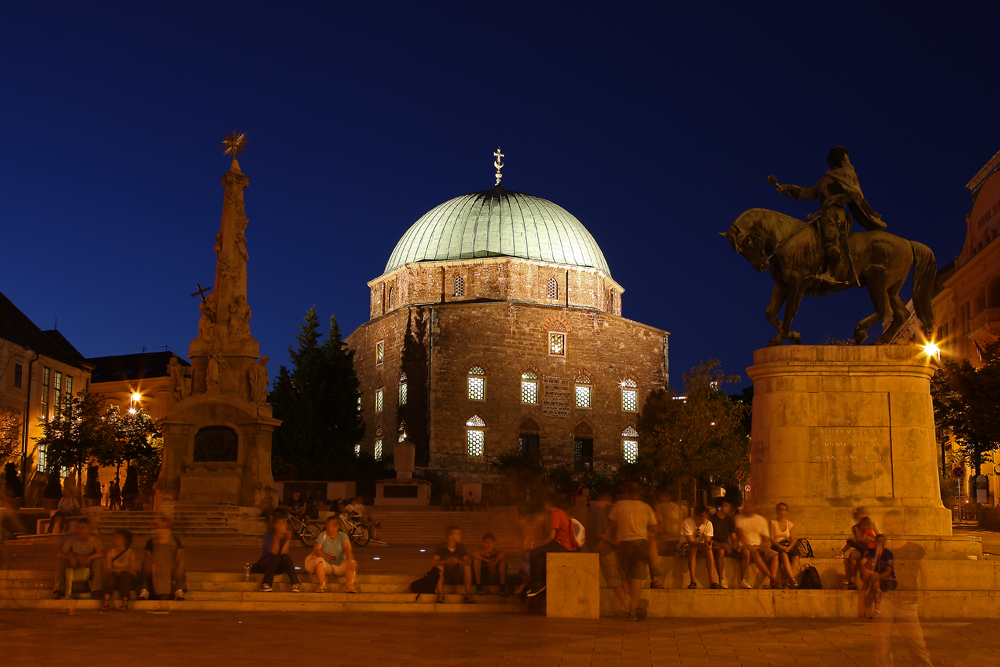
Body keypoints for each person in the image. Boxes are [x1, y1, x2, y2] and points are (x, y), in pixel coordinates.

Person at [771, 146, 887, 287]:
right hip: (822, 214)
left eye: (831, 156)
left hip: (835, 215)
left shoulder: (847, 173)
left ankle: (831, 273)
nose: (828, 160)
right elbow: (810, 193)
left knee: (831, 240)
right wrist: (789, 187)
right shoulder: (828, 176)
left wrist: (836, 198)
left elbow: (856, 195)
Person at [607, 482, 657, 619]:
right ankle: (633, 610)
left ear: (626, 492)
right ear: (640, 493)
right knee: (636, 579)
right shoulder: (646, 507)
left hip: (623, 545)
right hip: (640, 544)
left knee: (624, 578)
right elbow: (654, 527)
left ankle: (631, 607)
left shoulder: (619, 505)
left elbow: (610, 525)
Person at [526, 493, 579, 599]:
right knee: (540, 555)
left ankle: (538, 584)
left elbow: (552, 536)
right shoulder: (562, 513)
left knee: (534, 553)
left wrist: (540, 546)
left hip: (562, 545)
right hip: (566, 545)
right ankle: (542, 582)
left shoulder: (555, 513)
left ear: (548, 503)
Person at [588, 489, 630, 615]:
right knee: (615, 580)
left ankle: (631, 605)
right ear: (605, 497)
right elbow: (599, 534)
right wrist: (614, 542)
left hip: (606, 549)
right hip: (604, 550)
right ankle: (628, 607)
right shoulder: (598, 511)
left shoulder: (593, 510)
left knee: (620, 578)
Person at [53, 518, 104, 600]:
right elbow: (60, 554)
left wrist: (89, 558)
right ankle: (58, 589)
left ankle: (96, 590)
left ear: (88, 529)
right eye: (78, 528)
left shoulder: (94, 540)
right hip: (75, 562)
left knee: (98, 561)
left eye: (82, 528)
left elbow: (101, 553)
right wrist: (70, 557)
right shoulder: (72, 540)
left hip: (88, 563)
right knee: (61, 562)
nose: (80, 531)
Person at [138, 515, 187, 600]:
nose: (160, 530)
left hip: (169, 569)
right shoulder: (152, 541)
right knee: (144, 564)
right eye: (159, 528)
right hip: (156, 569)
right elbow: (146, 554)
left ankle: (179, 591)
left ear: (169, 530)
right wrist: (148, 563)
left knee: (181, 564)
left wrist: (180, 566)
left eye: (163, 528)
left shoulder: (175, 541)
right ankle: (144, 590)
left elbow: (181, 554)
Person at [304, 515, 356, 593]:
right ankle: (322, 584)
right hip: (326, 565)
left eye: (329, 525)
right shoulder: (322, 535)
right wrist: (325, 557)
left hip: (339, 565)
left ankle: (349, 585)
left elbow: (347, 549)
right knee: (319, 561)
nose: (327, 527)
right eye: (327, 525)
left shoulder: (343, 536)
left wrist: (349, 559)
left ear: (336, 527)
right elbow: (316, 549)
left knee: (351, 562)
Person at [735, 502, 777, 589]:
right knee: (754, 553)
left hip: (758, 545)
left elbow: (766, 537)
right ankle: (773, 578)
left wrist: (764, 546)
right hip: (746, 544)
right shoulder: (739, 518)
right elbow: (739, 534)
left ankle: (771, 583)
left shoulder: (760, 519)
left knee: (775, 555)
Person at [254, 513, 300, 592]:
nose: (283, 525)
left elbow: (283, 553)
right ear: (275, 525)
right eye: (281, 524)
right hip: (266, 563)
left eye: (284, 523)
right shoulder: (268, 536)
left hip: (278, 565)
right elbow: (274, 553)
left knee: (286, 557)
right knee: (276, 558)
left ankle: (295, 583)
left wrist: (288, 539)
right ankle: (266, 583)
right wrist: (277, 539)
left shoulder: (284, 537)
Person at [835, 509, 878, 590]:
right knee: (852, 557)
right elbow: (861, 540)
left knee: (852, 542)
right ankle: (853, 582)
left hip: (869, 549)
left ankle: (841, 552)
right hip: (861, 547)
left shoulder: (870, 527)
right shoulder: (855, 528)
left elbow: (875, 539)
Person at [432, 526, 475, 603]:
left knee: (467, 567)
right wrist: (446, 562)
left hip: (457, 574)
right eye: (458, 534)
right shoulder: (441, 547)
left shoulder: (461, 547)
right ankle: (441, 594)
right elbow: (434, 562)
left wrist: (459, 561)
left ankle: (467, 594)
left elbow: (468, 562)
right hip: (445, 575)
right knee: (440, 567)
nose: (460, 536)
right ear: (450, 536)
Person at [679, 505, 719, 589]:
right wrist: (703, 544)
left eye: (705, 516)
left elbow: (707, 539)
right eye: (701, 516)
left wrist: (707, 544)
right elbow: (691, 542)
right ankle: (693, 580)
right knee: (693, 548)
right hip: (685, 546)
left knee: (709, 550)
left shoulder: (708, 523)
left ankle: (712, 581)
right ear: (696, 516)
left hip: (700, 545)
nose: (704, 519)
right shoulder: (687, 522)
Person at [859, 534, 896, 620]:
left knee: (876, 582)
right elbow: (862, 563)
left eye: (878, 542)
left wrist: (877, 576)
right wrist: (871, 573)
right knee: (876, 584)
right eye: (875, 541)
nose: (876, 543)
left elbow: (888, 572)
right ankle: (877, 611)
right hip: (873, 578)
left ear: (883, 543)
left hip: (887, 579)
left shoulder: (888, 554)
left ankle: (872, 610)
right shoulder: (870, 552)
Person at [102, 528, 137, 611]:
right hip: (115, 580)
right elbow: (108, 570)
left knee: (124, 574)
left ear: (124, 540)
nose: (115, 540)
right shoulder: (111, 553)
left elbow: (132, 570)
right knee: (111, 575)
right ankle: (106, 601)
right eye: (114, 537)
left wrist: (118, 570)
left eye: (118, 537)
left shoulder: (130, 553)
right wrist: (119, 571)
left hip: (128, 580)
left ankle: (125, 602)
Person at [769, 502, 803, 588]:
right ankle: (792, 579)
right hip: (777, 545)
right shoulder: (772, 523)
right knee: (783, 555)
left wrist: (789, 547)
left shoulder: (790, 524)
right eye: (779, 509)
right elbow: (771, 538)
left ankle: (788, 581)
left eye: (783, 509)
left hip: (787, 545)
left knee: (795, 556)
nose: (781, 511)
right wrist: (780, 547)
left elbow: (792, 539)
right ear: (776, 511)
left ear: (786, 512)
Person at [709, 500, 739, 588]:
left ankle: (741, 580)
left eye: (729, 506)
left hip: (725, 543)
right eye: (726, 505)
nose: (728, 508)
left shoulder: (729, 519)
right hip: (715, 544)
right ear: (720, 507)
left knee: (744, 552)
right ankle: (721, 579)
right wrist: (722, 545)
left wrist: (736, 544)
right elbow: (709, 539)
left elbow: (733, 536)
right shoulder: (712, 519)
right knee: (721, 551)